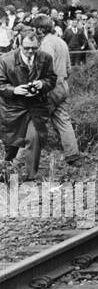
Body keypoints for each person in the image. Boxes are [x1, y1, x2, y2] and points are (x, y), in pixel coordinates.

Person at [0, 28, 57, 179]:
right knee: (11, 144)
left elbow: (52, 79)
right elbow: (0, 84)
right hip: (13, 108)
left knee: (34, 137)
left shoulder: (46, 58)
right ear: (19, 44)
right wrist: (14, 90)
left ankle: (31, 176)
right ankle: (7, 172)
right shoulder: (6, 60)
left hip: (36, 106)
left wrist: (42, 84)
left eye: (34, 48)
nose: (30, 51)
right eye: (26, 48)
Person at [35, 15, 82, 167]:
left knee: (32, 122)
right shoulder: (61, 42)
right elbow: (68, 68)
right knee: (62, 119)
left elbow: (46, 69)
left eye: (35, 28)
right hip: (63, 86)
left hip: (50, 88)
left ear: (40, 29)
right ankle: (73, 155)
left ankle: (16, 163)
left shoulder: (46, 44)